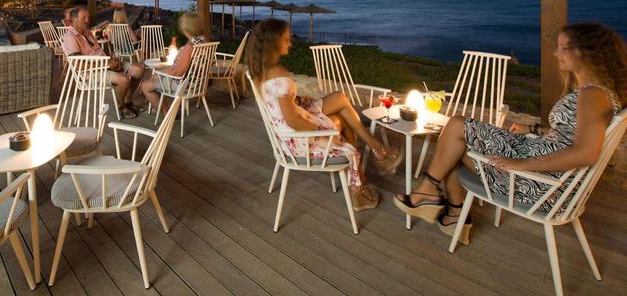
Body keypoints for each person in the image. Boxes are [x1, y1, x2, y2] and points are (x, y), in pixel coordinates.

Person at [395, 23, 625, 245]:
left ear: (586, 53)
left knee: (456, 133)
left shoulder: (593, 95)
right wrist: (532, 129)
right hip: (534, 153)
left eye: (564, 47)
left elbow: (585, 153)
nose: (556, 53)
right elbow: (567, 135)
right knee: (456, 135)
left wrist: (523, 164)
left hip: (541, 185)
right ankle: (450, 210)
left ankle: (435, 195)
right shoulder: (593, 93)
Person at [246, 19, 403, 212]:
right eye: (286, 39)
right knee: (342, 119)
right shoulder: (278, 74)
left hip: (288, 131)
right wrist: (324, 130)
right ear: (274, 42)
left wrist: (295, 100)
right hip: (297, 140)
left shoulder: (262, 71)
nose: (290, 43)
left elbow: (280, 105)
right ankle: (360, 185)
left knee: (339, 98)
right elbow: (292, 120)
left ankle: (372, 159)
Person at [62, 6, 145, 119]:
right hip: (91, 72)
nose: (87, 20)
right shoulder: (70, 37)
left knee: (139, 68)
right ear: (74, 20)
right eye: (84, 18)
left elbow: (99, 50)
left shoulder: (87, 32)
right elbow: (78, 64)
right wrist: (106, 63)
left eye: (88, 17)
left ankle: (127, 100)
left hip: (105, 64)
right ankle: (122, 107)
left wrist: (111, 59)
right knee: (123, 79)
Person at [141, 12, 206, 112]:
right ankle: (159, 105)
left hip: (184, 84)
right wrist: (163, 71)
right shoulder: (202, 41)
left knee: (145, 86)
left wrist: (162, 72)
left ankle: (165, 112)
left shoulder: (189, 47)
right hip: (198, 82)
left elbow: (178, 72)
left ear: (185, 29)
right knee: (156, 76)